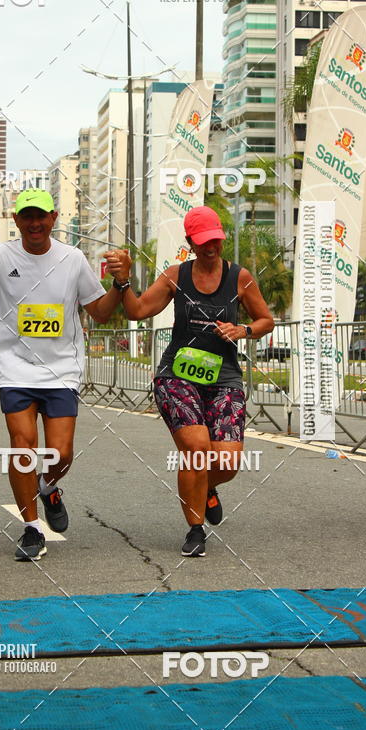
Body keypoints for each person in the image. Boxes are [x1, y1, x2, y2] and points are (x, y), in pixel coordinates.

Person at [0, 188, 125, 561]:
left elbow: (99, 312)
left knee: (60, 454)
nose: (35, 223)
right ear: (15, 220)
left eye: (42, 216)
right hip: (15, 368)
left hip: (61, 370)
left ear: (53, 219)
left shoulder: (72, 259)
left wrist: (121, 283)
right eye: (27, 216)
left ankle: (48, 487)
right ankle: (32, 528)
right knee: (23, 447)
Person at [105, 206, 274, 558]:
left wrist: (243, 330)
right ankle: (195, 529)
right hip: (178, 376)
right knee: (197, 450)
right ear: (190, 243)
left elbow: (265, 321)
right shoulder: (174, 276)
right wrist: (122, 282)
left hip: (224, 377)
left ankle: (207, 489)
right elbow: (136, 311)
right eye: (203, 242)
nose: (210, 247)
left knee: (226, 463)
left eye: (215, 239)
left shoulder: (240, 278)